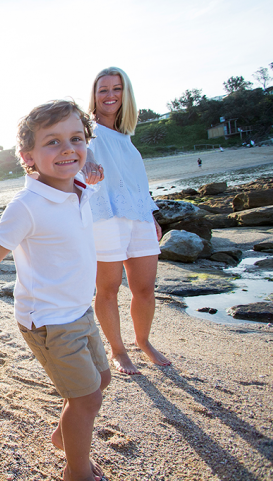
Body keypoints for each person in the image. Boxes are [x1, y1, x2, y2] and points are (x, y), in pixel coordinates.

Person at [0, 100, 111, 481]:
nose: (67, 149)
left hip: (80, 310)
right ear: (27, 157)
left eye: (75, 139)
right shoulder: (27, 206)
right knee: (86, 398)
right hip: (48, 320)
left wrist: (85, 156)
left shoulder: (78, 185)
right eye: (52, 143)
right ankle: (76, 470)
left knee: (101, 380)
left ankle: (65, 436)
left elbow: (81, 154)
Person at [87, 67, 170, 375]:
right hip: (106, 217)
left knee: (145, 288)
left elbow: (137, 181)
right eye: (103, 89)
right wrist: (87, 163)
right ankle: (118, 351)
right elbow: (78, 154)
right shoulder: (87, 130)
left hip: (139, 217)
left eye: (116, 89)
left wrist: (151, 215)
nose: (110, 95)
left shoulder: (125, 136)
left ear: (126, 94)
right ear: (94, 96)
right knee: (108, 288)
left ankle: (143, 341)